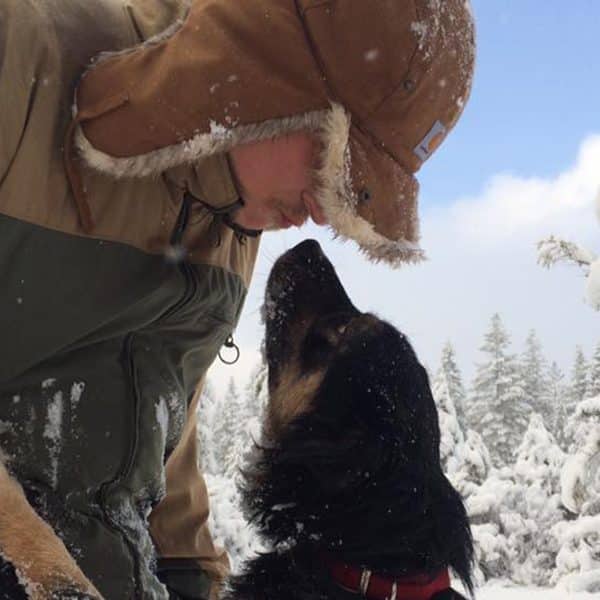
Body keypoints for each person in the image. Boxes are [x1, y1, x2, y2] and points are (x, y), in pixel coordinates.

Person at [0, 0, 475, 597]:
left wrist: (191, 576)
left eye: (355, 189)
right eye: (334, 160)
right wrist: (37, 561)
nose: (324, 212)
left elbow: (158, 414)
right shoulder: (21, 57)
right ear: (271, 74)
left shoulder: (237, 214)